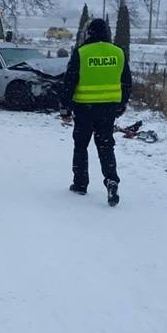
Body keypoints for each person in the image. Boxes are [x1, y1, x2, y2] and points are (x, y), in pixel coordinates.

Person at [60, 17, 132, 206]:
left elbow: (70, 81)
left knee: (81, 146)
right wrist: (122, 103)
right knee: (106, 146)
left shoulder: (81, 53)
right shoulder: (118, 53)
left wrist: (65, 108)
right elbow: (126, 82)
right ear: (107, 33)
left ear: (89, 33)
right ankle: (111, 180)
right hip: (108, 110)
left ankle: (80, 183)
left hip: (84, 109)